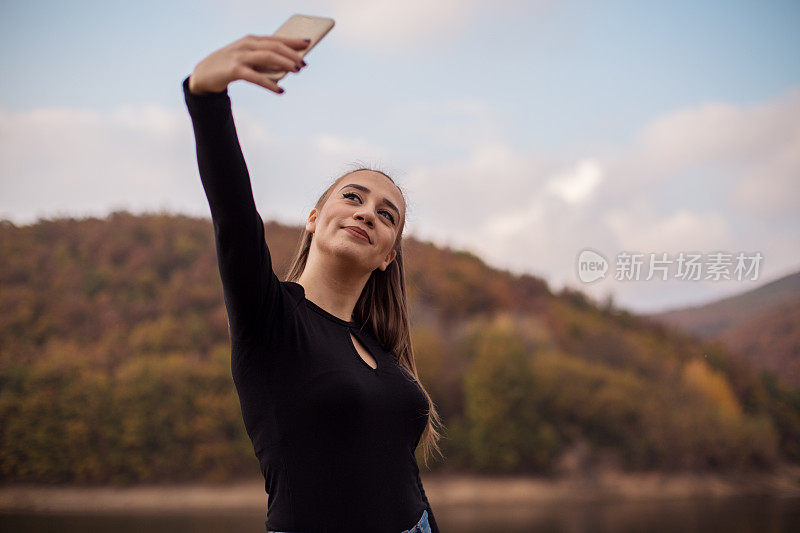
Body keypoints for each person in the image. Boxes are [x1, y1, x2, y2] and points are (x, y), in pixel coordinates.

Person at [182, 33, 443, 533]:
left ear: (389, 255)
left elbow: (400, 477)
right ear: (314, 217)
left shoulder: (379, 348)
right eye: (353, 197)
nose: (367, 213)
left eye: (385, 215)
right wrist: (206, 97)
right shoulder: (272, 319)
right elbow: (234, 219)